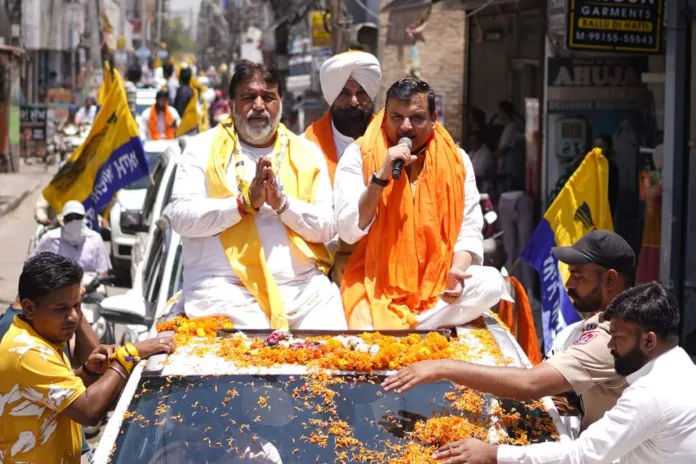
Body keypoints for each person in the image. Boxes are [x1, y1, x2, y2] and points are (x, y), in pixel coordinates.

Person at [383, 230, 635, 431]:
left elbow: (530, 383)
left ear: (610, 280)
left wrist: (443, 367)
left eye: (578, 277)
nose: (568, 285)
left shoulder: (613, 336)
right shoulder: (582, 330)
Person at [168, 60, 346, 331]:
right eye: (249, 97)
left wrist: (283, 205)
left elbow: (327, 228)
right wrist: (241, 204)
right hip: (224, 290)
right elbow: (180, 218)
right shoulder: (200, 150)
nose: (259, 105)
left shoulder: (307, 153)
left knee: (339, 351)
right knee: (249, 356)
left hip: (302, 292)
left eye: (269, 97)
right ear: (231, 104)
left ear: (281, 102)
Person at [433, 282, 696, 464]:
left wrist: (493, 453)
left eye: (617, 337)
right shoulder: (682, 368)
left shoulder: (651, 394)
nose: (610, 345)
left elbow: (582, 455)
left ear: (649, 341)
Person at [334, 78, 510, 330]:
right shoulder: (359, 154)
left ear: (433, 118)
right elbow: (348, 230)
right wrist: (380, 177)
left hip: (436, 281)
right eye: (396, 117)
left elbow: (469, 227)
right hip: (375, 280)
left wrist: (457, 272)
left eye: (416, 118)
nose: (405, 127)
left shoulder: (457, 160)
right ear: (384, 116)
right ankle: (406, 323)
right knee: (361, 315)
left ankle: (398, 325)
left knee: (492, 283)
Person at [0, 253, 176, 463]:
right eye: (61, 309)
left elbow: (57, 395)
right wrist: (128, 355)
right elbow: (88, 412)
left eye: (76, 306)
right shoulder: (28, 351)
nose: (73, 317)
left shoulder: (43, 338)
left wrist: (89, 371)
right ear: (29, 308)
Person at [303, 50, 382, 185]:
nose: (354, 102)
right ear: (332, 97)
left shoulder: (389, 138)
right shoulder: (307, 145)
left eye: (361, 93)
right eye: (344, 93)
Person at [32, 201, 112, 277]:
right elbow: (33, 265)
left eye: (77, 217)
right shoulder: (50, 239)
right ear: (64, 220)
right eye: (70, 218)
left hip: (90, 289)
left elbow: (103, 271)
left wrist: (95, 283)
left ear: (83, 218)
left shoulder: (95, 239)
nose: (74, 221)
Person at [494, 100, 524, 192]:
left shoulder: (511, 128)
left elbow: (504, 148)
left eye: (499, 111)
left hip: (508, 171)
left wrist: (494, 155)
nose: (498, 114)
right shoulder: (511, 127)